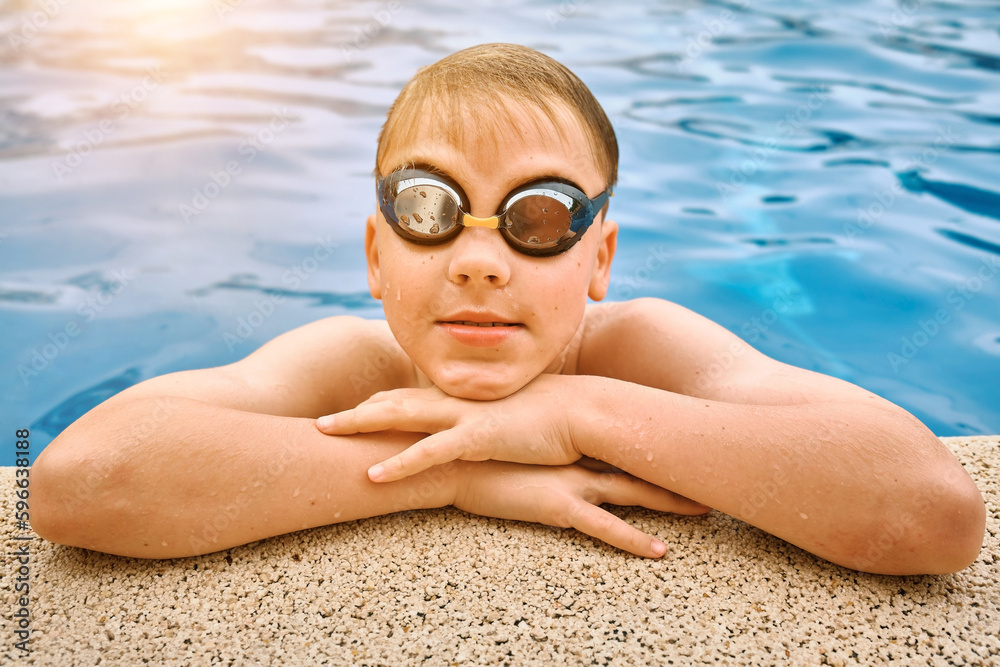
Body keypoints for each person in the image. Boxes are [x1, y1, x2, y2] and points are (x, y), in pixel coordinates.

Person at [32, 43, 984, 575]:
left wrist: (574, 412)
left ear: (600, 256)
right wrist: (449, 476)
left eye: (537, 217)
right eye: (427, 209)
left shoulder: (640, 347)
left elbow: (930, 512)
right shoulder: (351, 365)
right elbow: (81, 483)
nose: (480, 262)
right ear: (376, 252)